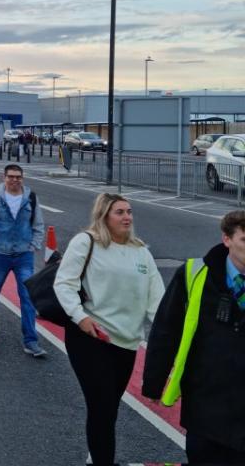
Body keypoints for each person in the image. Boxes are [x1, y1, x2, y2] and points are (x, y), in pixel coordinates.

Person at [54, 194, 164, 466]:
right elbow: (63, 283)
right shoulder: (87, 242)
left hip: (127, 342)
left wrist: (169, 337)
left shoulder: (142, 252)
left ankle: (97, 453)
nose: (127, 217)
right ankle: (103, 460)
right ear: (104, 216)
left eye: (129, 211)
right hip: (91, 337)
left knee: (110, 407)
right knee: (102, 407)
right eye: (119, 212)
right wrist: (80, 317)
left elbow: (157, 302)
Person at [142, 209, 245, 464]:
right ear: (227, 239)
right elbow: (166, 329)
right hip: (205, 398)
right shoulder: (194, 273)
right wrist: (154, 381)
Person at [0, 163, 47, 357]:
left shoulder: (30, 198)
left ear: (22, 178)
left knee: (27, 296)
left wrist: (34, 245)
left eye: (18, 177)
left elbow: (39, 224)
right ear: (4, 178)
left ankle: (31, 341)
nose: (15, 180)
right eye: (11, 177)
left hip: (24, 255)